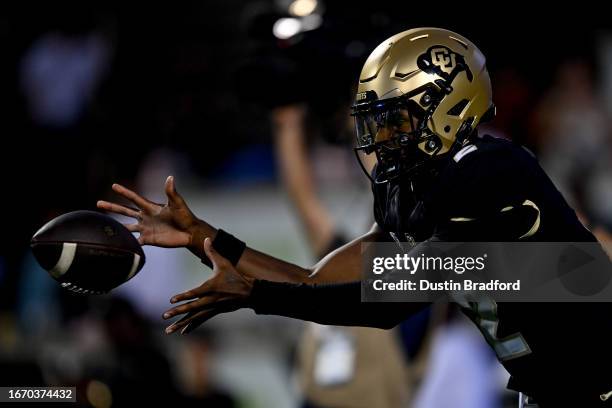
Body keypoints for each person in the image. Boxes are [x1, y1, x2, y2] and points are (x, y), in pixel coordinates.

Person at [98, 28, 612, 407]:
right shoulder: (415, 190)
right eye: (375, 123)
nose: (380, 139)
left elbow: (392, 301)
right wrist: (205, 239)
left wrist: (258, 297)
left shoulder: (493, 170)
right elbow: (316, 280)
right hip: (550, 388)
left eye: (394, 121)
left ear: (447, 108)